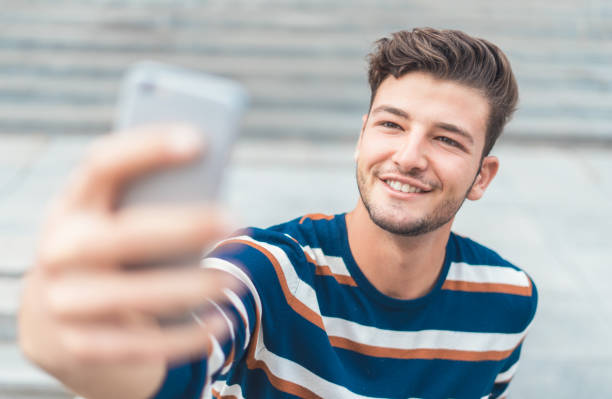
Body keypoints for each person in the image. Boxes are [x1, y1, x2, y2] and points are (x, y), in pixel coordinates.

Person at [18, 28, 537, 399]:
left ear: (482, 176)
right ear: (361, 139)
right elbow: (176, 371)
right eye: (392, 125)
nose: (408, 156)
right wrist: (71, 340)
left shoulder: (507, 298)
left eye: (446, 139)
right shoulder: (264, 269)